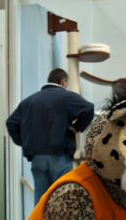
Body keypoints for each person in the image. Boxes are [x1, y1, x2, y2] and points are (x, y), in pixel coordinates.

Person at [6, 68, 94, 204]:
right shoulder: (65, 97)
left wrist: (24, 141)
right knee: (63, 200)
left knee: (41, 203)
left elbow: (11, 123)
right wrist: (76, 128)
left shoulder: (29, 101)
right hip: (60, 157)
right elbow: (88, 108)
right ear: (63, 82)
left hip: (37, 159)